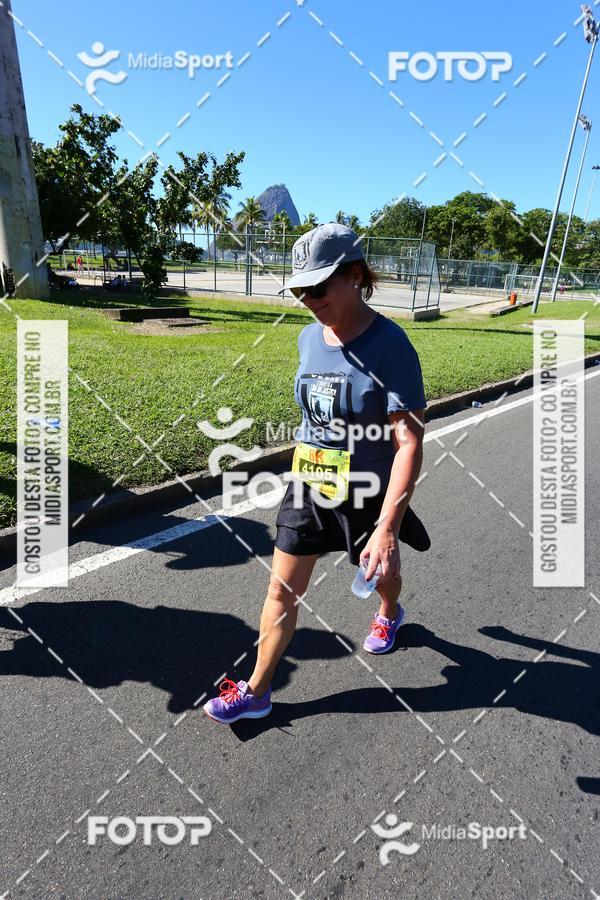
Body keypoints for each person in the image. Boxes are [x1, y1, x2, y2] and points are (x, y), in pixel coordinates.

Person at [203, 223, 430, 725]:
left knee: (380, 573)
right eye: (300, 289)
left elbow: (409, 442)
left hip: (368, 492)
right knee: (280, 590)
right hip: (309, 484)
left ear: (355, 276)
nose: (308, 299)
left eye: (318, 287)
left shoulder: (392, 346)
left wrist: (388, 528)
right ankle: (258, 691)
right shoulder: (309, 336)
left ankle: (391, 611)